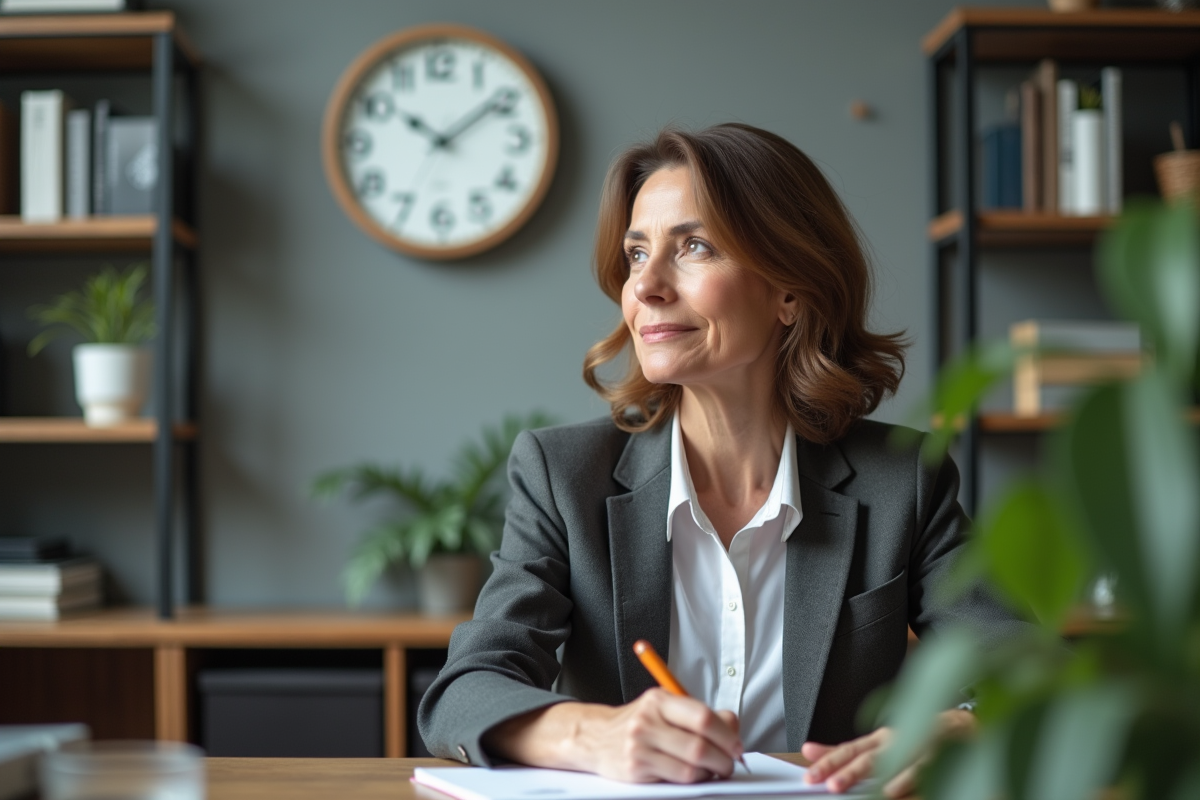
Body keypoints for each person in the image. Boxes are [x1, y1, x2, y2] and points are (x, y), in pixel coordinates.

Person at [418, 123, 1023, 797]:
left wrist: (959, 728)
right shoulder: (563, 475)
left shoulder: (904, 479)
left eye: (694, 248)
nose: (645, 286)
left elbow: (1028, 676)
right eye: (637, 253)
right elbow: (463, 693)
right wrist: (598, 736)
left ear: (790, 292)